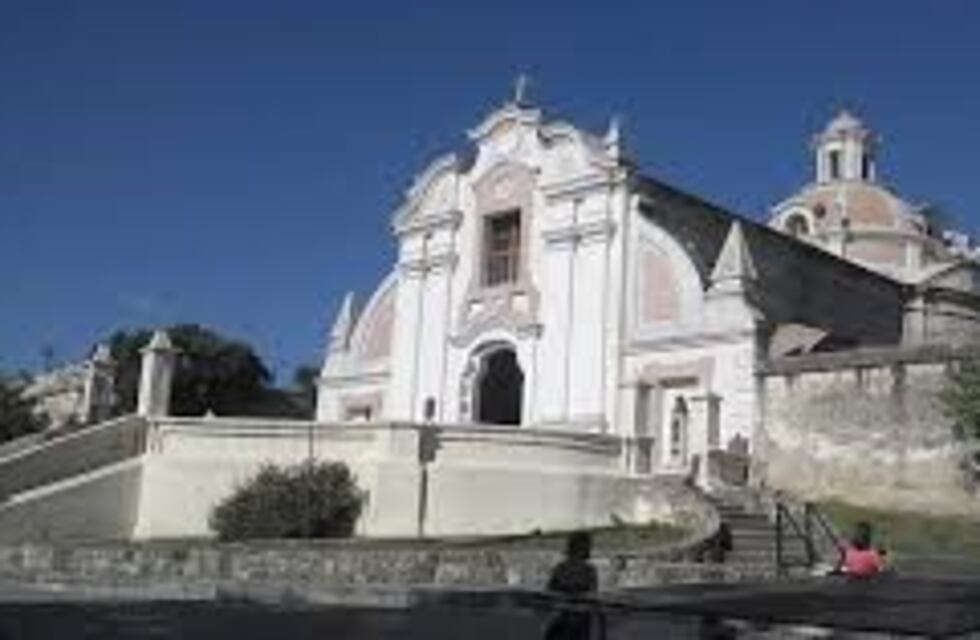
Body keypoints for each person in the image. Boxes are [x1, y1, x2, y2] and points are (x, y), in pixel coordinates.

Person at [544, 531, 599, 640]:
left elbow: (549, 593)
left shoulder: (561, 568)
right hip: (575, 621)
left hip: (566, 619)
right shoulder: (588, 570)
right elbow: (593, 596)